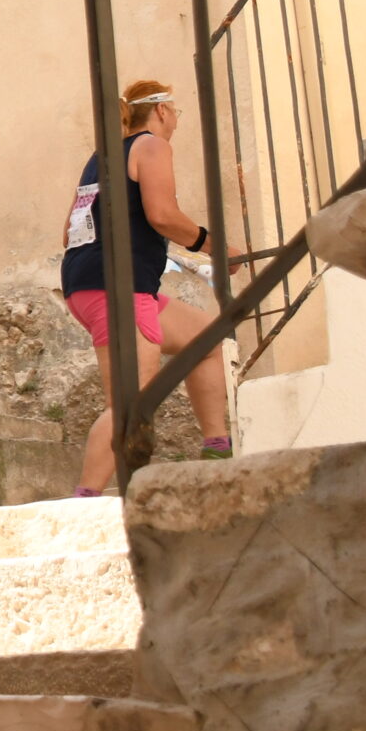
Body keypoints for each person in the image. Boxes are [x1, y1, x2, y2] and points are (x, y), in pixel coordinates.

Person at [60, 79, 232, 497]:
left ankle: (218, 449)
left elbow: (69, 230)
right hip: (119, 288)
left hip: (89, 284)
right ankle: (84, 503)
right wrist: (217, 247)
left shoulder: (100, 158)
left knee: (207, 339)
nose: (176, 120)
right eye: (175, 110)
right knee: (129, 403)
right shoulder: (152, 146)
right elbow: (162, 215)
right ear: (160, 111)